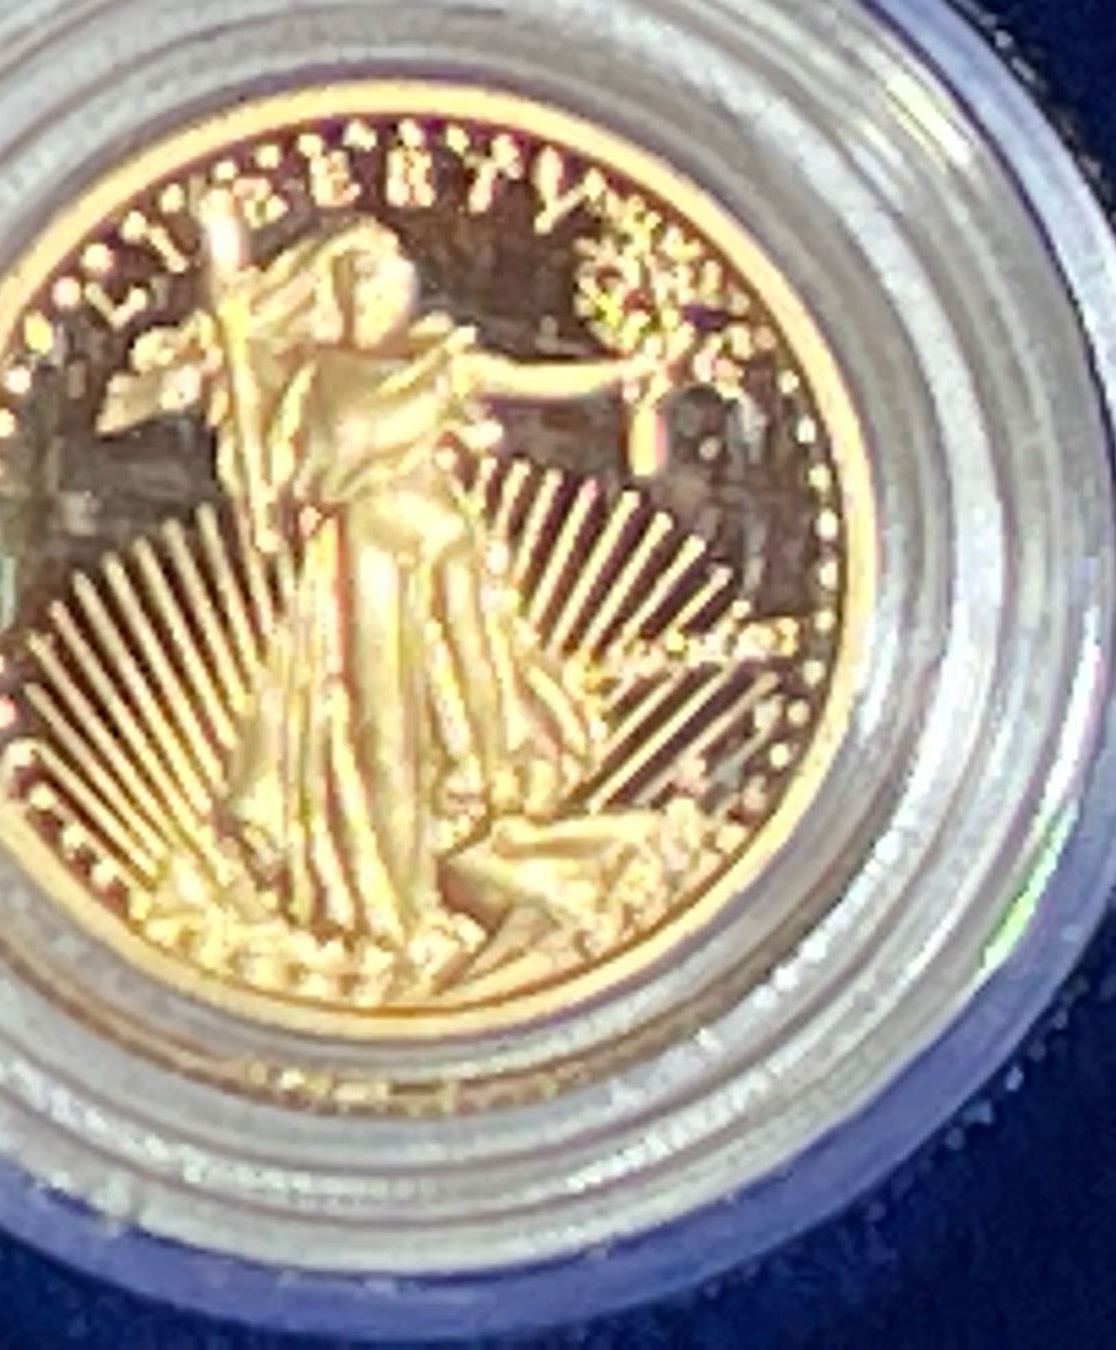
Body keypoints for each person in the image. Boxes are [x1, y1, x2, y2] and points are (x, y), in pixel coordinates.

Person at [101, 208, 695, 970]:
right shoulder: (306, 378)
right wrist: (229, 326)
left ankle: (475, 845)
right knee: (378, 729)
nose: (380, 298)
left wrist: (625, 373)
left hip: (447, 558)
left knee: (478, 718)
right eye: (363, 282)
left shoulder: (441, 361)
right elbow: (242, 430)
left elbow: (533, 381)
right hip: (364, 567)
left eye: (389, 281)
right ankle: (391, 901)